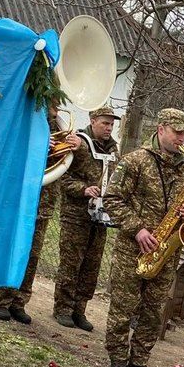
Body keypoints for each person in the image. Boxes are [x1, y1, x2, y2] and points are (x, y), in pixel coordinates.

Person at [102, 108, 184, 367]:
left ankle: (139, 362)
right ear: (161, 129)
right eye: (178, 132)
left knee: (153, 311)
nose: (182, 138)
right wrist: (138, 229)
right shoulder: (135, 160)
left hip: (166, 251)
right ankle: (118, 358)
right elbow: (111, 199)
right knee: (123, 308)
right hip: (132, 247)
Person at [0, 108, 61, 324]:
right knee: (15, 247)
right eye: (53, 103)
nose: (56, 108)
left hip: (45, 202)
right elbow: (11, 148)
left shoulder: (60, 126)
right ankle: (1, 300)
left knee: (33, 255)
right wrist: (39, 143)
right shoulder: (26, 120)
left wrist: (74, 146)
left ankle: (19, 302)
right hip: (22, 199)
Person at [53, 106, 121, 332]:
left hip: (100, 217)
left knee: (91, 266)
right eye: (105, 123)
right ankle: (62, 308)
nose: (109, 128)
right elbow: (62, 178)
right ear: (93, 121)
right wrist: (84, 189)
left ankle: (79, 309)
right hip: (75, 215)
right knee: (71, 263)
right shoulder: (78, 144)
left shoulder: (114, 150)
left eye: (111, 124)